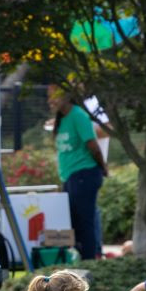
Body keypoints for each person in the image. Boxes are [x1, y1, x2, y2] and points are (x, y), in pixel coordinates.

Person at [49, 86, 109, 260]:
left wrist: (103, 167)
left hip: (84, 174)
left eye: (53, 96)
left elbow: (93, 145)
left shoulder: (79, 115)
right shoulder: (62, 119)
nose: (49, 100)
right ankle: (77, 261)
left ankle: (89, 261)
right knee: (73, 223)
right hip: (70, 177)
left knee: (85, 223)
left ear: (66, 96)